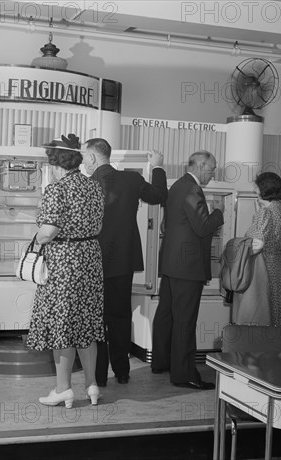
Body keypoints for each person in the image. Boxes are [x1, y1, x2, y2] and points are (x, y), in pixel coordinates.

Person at [25, 134, 105, 408]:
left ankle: (63, 389)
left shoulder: (57, 189)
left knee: (63, 325)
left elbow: (48, 232)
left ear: (55, 164)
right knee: (86, 325)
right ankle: (92, 385)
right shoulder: (93, 187)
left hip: (64, 262)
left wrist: (35, 240)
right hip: (90, 260)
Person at [82, 138, 167, 387]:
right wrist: (157, 166)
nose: (83, 161)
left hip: (93, 263)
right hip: (122, 261)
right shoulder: (132, 180)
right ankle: (122, 371)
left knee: (96, 320)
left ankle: (98, 377)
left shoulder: (86, 186)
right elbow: (159, 195)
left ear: (94, 157)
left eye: (84, 156)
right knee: (119, 316)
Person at [151, 150, 224, 390]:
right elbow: (203, 227)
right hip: (187, 267)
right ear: (201, 165)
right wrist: (218, 213)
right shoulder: (193, 190)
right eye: (212, 169)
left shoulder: (177, 186)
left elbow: (167, 224)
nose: (212, 174)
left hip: (172, 264)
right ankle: (184, 375)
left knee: (166, 315)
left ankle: (161, 362)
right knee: (185, 320)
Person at [232, 172, 281, 327]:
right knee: (274, 313)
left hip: (261, 268)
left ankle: (255, 350)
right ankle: (273, 349)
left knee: (258, 313)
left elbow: (256, 244)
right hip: (276, 267)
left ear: (263, 190)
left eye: (257, 188)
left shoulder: (265, 212)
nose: (256, 191)